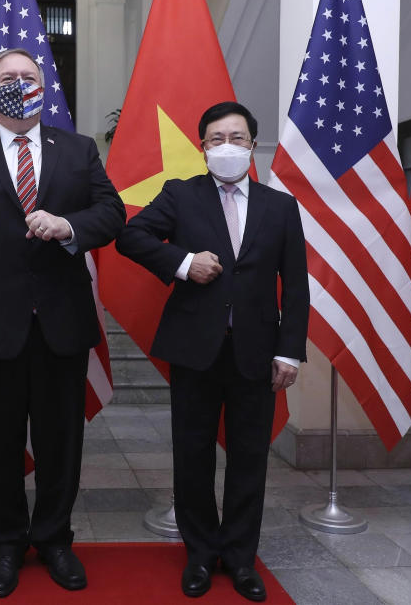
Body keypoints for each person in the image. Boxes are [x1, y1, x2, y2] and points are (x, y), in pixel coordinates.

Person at [0, 49, 125, 598]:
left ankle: (55, 539)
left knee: (61, 443)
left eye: (28, 78)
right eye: (7, 79)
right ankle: (5, 544)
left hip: (62, 321)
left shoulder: (77, 150)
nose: (18, 85)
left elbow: (113, 213)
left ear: (44, 88)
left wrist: (67, 224)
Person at [115, 101, 309, 601]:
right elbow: (131, 236)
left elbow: (297, 286)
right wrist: (182, 262)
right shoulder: (181, 196)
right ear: (202, 148)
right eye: (216, 139)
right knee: (193, 457)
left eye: (237, 138)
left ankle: (241, 558)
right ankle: (200, 554)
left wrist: (289, 352)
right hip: (194, 350)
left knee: (249, 459)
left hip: (257, 352)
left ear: (252, 145)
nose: (227, 147)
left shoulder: (279, 207)